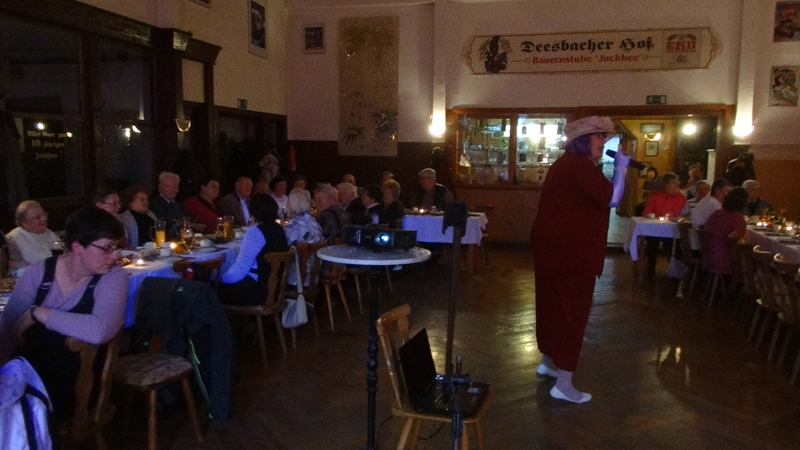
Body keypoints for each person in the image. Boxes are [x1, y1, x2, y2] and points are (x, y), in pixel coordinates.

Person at [530, 116, 631, 404]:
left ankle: (548, 362)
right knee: (571, 313)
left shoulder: (565, 164)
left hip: (552, 248)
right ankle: (564, 384)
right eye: (599, 136)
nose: (604, 141)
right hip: (571, 252)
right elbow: (612, 199)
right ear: (583, 140)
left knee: (552, 307)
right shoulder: (579, 165)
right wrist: (621, 169)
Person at [0, 206, 127, 421]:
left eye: (117, 247)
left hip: (80, 383)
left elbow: (100, 330)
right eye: (107, 248)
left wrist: (38, 313)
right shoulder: (40, 271)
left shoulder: (113, 277)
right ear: (77, 247)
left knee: (24, 411)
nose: (115, 256)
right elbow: (8, 328)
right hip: (31, 373)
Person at [220, 194, 289, 305]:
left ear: (253, 212)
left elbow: (240, 270)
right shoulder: (279, 229)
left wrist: (221, 279)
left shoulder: (255, 232)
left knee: (213, 287)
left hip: (258, 291)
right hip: (277, 290)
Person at [283, 188, 324, 287]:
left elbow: (283, 251)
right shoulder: (315, 223)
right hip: (314, 276)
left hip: (296, 279)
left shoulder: (292, 226)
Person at [6, 201, 62, 271]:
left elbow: (60, 249)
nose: (45, 219)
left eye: (45, 214)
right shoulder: (13, 239)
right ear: (24, 222)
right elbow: (12, 267)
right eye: (37, 217)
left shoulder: (50, 233)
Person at [704, 187, 748, 276]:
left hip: (709, 254)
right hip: (725, 258)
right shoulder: (738, 218)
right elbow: (740, 239)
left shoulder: (717, 213)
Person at [690, 178, 733, 250]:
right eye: (727, 191)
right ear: (718, 190)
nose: (729, 195)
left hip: (697, 242)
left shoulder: (707, 200)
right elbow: (722, 225)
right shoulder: (714, 204)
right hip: (703, 246)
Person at [149, 172, 195, 238]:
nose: (171, 189)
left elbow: (193, 222)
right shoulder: (153, 205)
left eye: (175, 186)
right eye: (167, 186)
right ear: (160, 187)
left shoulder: (180, 206)